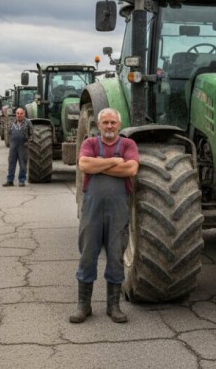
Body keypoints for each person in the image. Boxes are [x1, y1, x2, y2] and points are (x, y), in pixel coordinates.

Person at [70, 108, 139, 323]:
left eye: (113, 122)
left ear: (119, 125)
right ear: (99, 125)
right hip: (92, 208)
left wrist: (98, 165)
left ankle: (113, 306)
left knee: (116, 255)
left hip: (118, 209)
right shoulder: (90, 143)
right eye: (105, 122)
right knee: (87, 255)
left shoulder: (128, 145)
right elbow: (84, 164)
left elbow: (131, 170)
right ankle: (84, 305)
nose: (109, 126)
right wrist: (115, 162)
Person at [3, 108, 32, 187]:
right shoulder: (12, 122)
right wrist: (10, 143)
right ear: (15, 114)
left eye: (21, 113)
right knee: (11, 163)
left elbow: (32, 135)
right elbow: (8, 132)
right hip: (13, 146)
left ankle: (22, 180)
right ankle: (10, 181)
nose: (19, 115)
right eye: (18, 113)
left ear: (24, 114)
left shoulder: (28, 123)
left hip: (23, 146)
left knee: (23, 164)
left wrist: (28, 143)